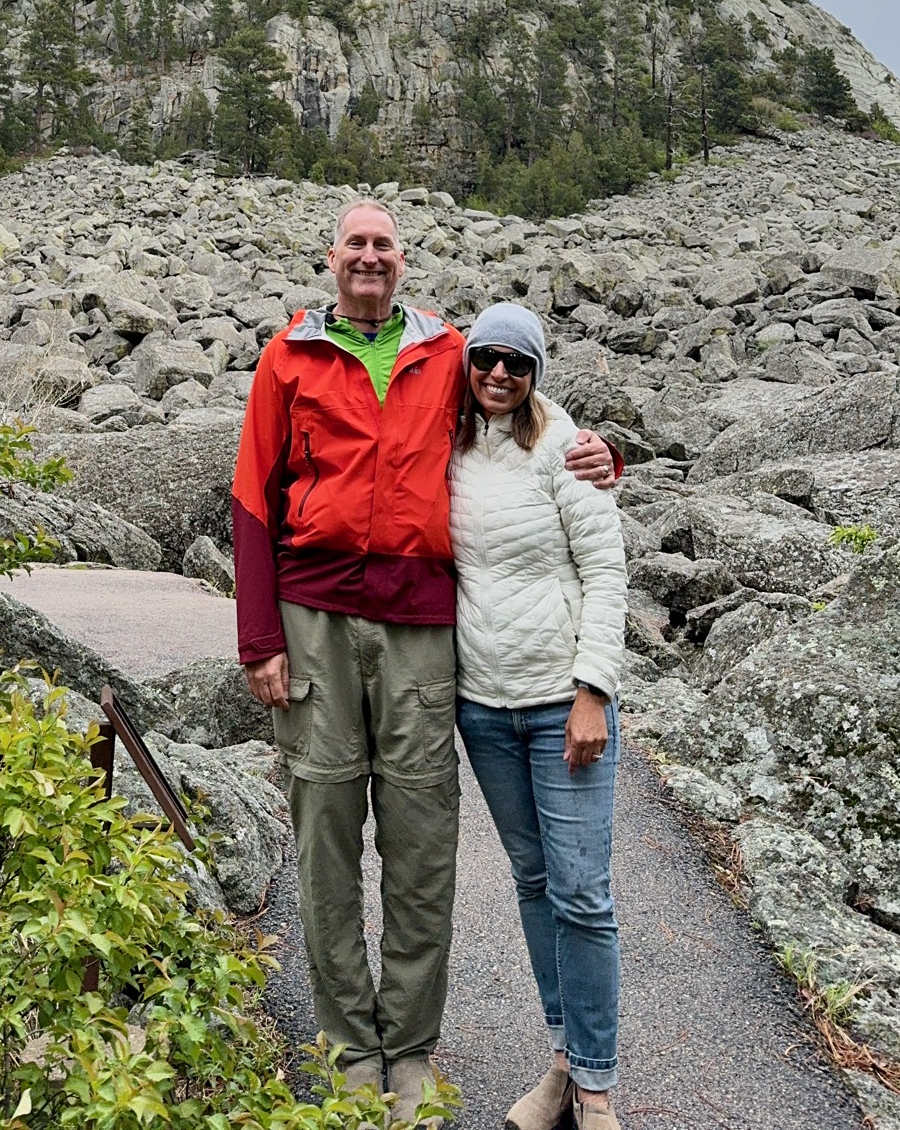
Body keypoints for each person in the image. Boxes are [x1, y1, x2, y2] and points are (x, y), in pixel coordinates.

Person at [232, 202, 619, 1122]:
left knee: (420, 845)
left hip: (418, 624)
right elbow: (253, 498)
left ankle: (408, 1051)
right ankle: (347, 1048)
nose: (370, 258)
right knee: (324, 832)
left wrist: (600, 454)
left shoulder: (448, 353)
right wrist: (260, 641)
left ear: (403, 262)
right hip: (313, 613)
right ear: (332, 260)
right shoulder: (287, 358)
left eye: (384, 246)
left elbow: (521, 401)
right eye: (355, 244)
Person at [450, 303, 627, 1130]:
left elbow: (607, 571)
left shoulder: (564, 447)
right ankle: (560, 1059)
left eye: (517, 364)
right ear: (467, 359)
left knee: (583, 895)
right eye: (486, 357)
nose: (498, 374)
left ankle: (594, 1085)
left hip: (563, 706)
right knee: (534, 883)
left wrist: (593, 688)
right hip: (484, 708)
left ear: (536, 374)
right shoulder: (443, 443)